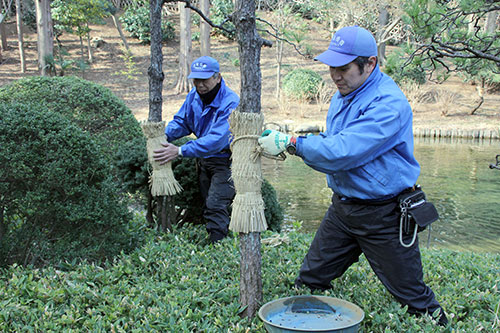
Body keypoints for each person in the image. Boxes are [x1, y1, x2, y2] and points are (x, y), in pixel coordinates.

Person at [258, 26, 448, 326]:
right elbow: (336, 143)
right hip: (343, 209)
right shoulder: (343, 94)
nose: (335, 75)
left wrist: (292, 143)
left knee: (415, 300)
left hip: (384, 214)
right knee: (309, 282)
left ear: (369, 63)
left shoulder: (388, 103)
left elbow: (344, 151)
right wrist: (296, 141)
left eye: (344, 68)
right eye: (332, 67)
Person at [154, 56, 239, 243]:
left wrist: (179, 151)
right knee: (207, 202)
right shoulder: (193, 96)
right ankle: (216, 239)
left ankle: (218, 246)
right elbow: (182, 122)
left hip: (226, 161)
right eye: (196, 80)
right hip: (203, 159)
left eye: (205, 80)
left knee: (216, 204)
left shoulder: (231, 102)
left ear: (218, 77)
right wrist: (162, 136)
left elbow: (217, 139)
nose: (200, 85)